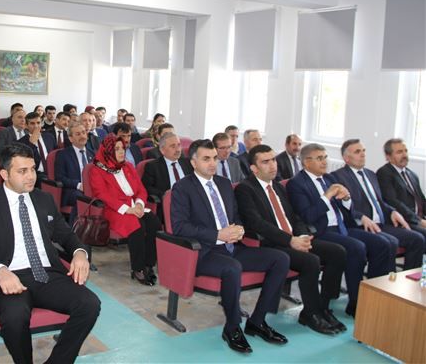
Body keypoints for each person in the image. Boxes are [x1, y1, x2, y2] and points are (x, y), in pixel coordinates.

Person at [0, 143, 100, 364]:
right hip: (11, 276)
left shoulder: (44, 199)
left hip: (48, 273)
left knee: (90, 304)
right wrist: (0, 271)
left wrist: (79, 253)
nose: (31, 176)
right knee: (14, 316)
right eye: (22, 171)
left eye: (32, 169)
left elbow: (66, 235)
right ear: (4, 174)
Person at [171, 139, 290, 353]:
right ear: (193, 162)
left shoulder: (224, 184)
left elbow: (236, 216)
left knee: (280, 259)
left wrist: (239, 230)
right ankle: (232, 327)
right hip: (203, 252)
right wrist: (218, 234)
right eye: (206, 159)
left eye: (214, 158)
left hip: (232, 247)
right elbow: (180, 227)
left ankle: (257, 321)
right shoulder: (182, 188)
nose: (212, 163)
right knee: (232, 268)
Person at [235, 145, 346, 335]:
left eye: (273, 160)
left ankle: (323, 307)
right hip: (273, 243)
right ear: (254, 168)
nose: (273, 165)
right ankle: (310, 313)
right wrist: (290, 240)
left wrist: (302, 235)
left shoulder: (278, 186)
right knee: (311, 261)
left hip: (293, 238)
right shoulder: (245, 189)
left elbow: (294, 217)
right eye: (265, 162)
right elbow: (257, 224)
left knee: (337, 252)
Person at [286, 143, 393, 317]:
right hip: (321, 231)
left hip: (343, 227)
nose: (324, 162)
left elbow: (348, 210)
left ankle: (374, 295)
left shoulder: (328, 178)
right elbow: (308, 216)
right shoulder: (296, 183)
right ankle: (355, 302)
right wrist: (327, 195)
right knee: (356, 248)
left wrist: (346, 198)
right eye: (319, 158)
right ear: (306, 162)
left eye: (325, 157)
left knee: (382, 244)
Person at [332, 139, 424, 270]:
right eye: (357, 152)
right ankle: (379, 281)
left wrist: (392, 211)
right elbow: (341, 206)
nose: (363, 154)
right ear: (346, 158)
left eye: (363, 151)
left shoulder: (370, 174)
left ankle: (408, 278)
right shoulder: (337, 177)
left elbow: (381, 202)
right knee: (388, 243)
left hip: (380, 223)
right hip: (359, 225)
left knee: (417, 239)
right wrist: (361, 217)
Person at [91, 135, 160, 285]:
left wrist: (139, 204)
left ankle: (148, 264)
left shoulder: (128, 166)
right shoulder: (97, 169)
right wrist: (127, 209)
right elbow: (101, 194)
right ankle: (138, 268)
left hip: (134, 206)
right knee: (137, 226)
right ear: (108, 151)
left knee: (154, 222)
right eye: (117, 149)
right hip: (114, 210)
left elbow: (141, 189)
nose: (122, 152)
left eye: (122, 148)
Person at [377, 138, 426, 238]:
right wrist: (420, 221)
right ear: (388, 157)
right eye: (399, 152)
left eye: (405, 151)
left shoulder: (412, 174)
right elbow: (393, 202)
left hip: (418, 219)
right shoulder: (384, 173)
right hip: (403, 220)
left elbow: (422, 200)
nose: (404, 155)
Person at [141, 132, 193, 223]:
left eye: (179, 145)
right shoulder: (153, 166)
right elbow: (146, 187)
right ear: (162, 150)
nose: (178, 149)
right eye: (173, 146)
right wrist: (167, 195)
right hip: (170, 206)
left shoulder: (188, 163)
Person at [55, 123, 94, 216]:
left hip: (92, 188)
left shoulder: (93, 154)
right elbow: (60, 178)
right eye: (78, 134)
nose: (82, 136)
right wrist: (78, 185)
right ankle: (79, 224)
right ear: (71, 138)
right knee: (83, 199)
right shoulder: (63, 155)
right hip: (72, 190)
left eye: (83, 133)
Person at [18, 112, 56, 187]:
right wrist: (32, 144)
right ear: (26, 125)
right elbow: (26, 161)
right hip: (36, 173)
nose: (36, 126)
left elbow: (55, 155)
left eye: (38, 123)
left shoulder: (49, 137)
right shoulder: (21, 143)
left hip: (53, 170)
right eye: (32, 123)